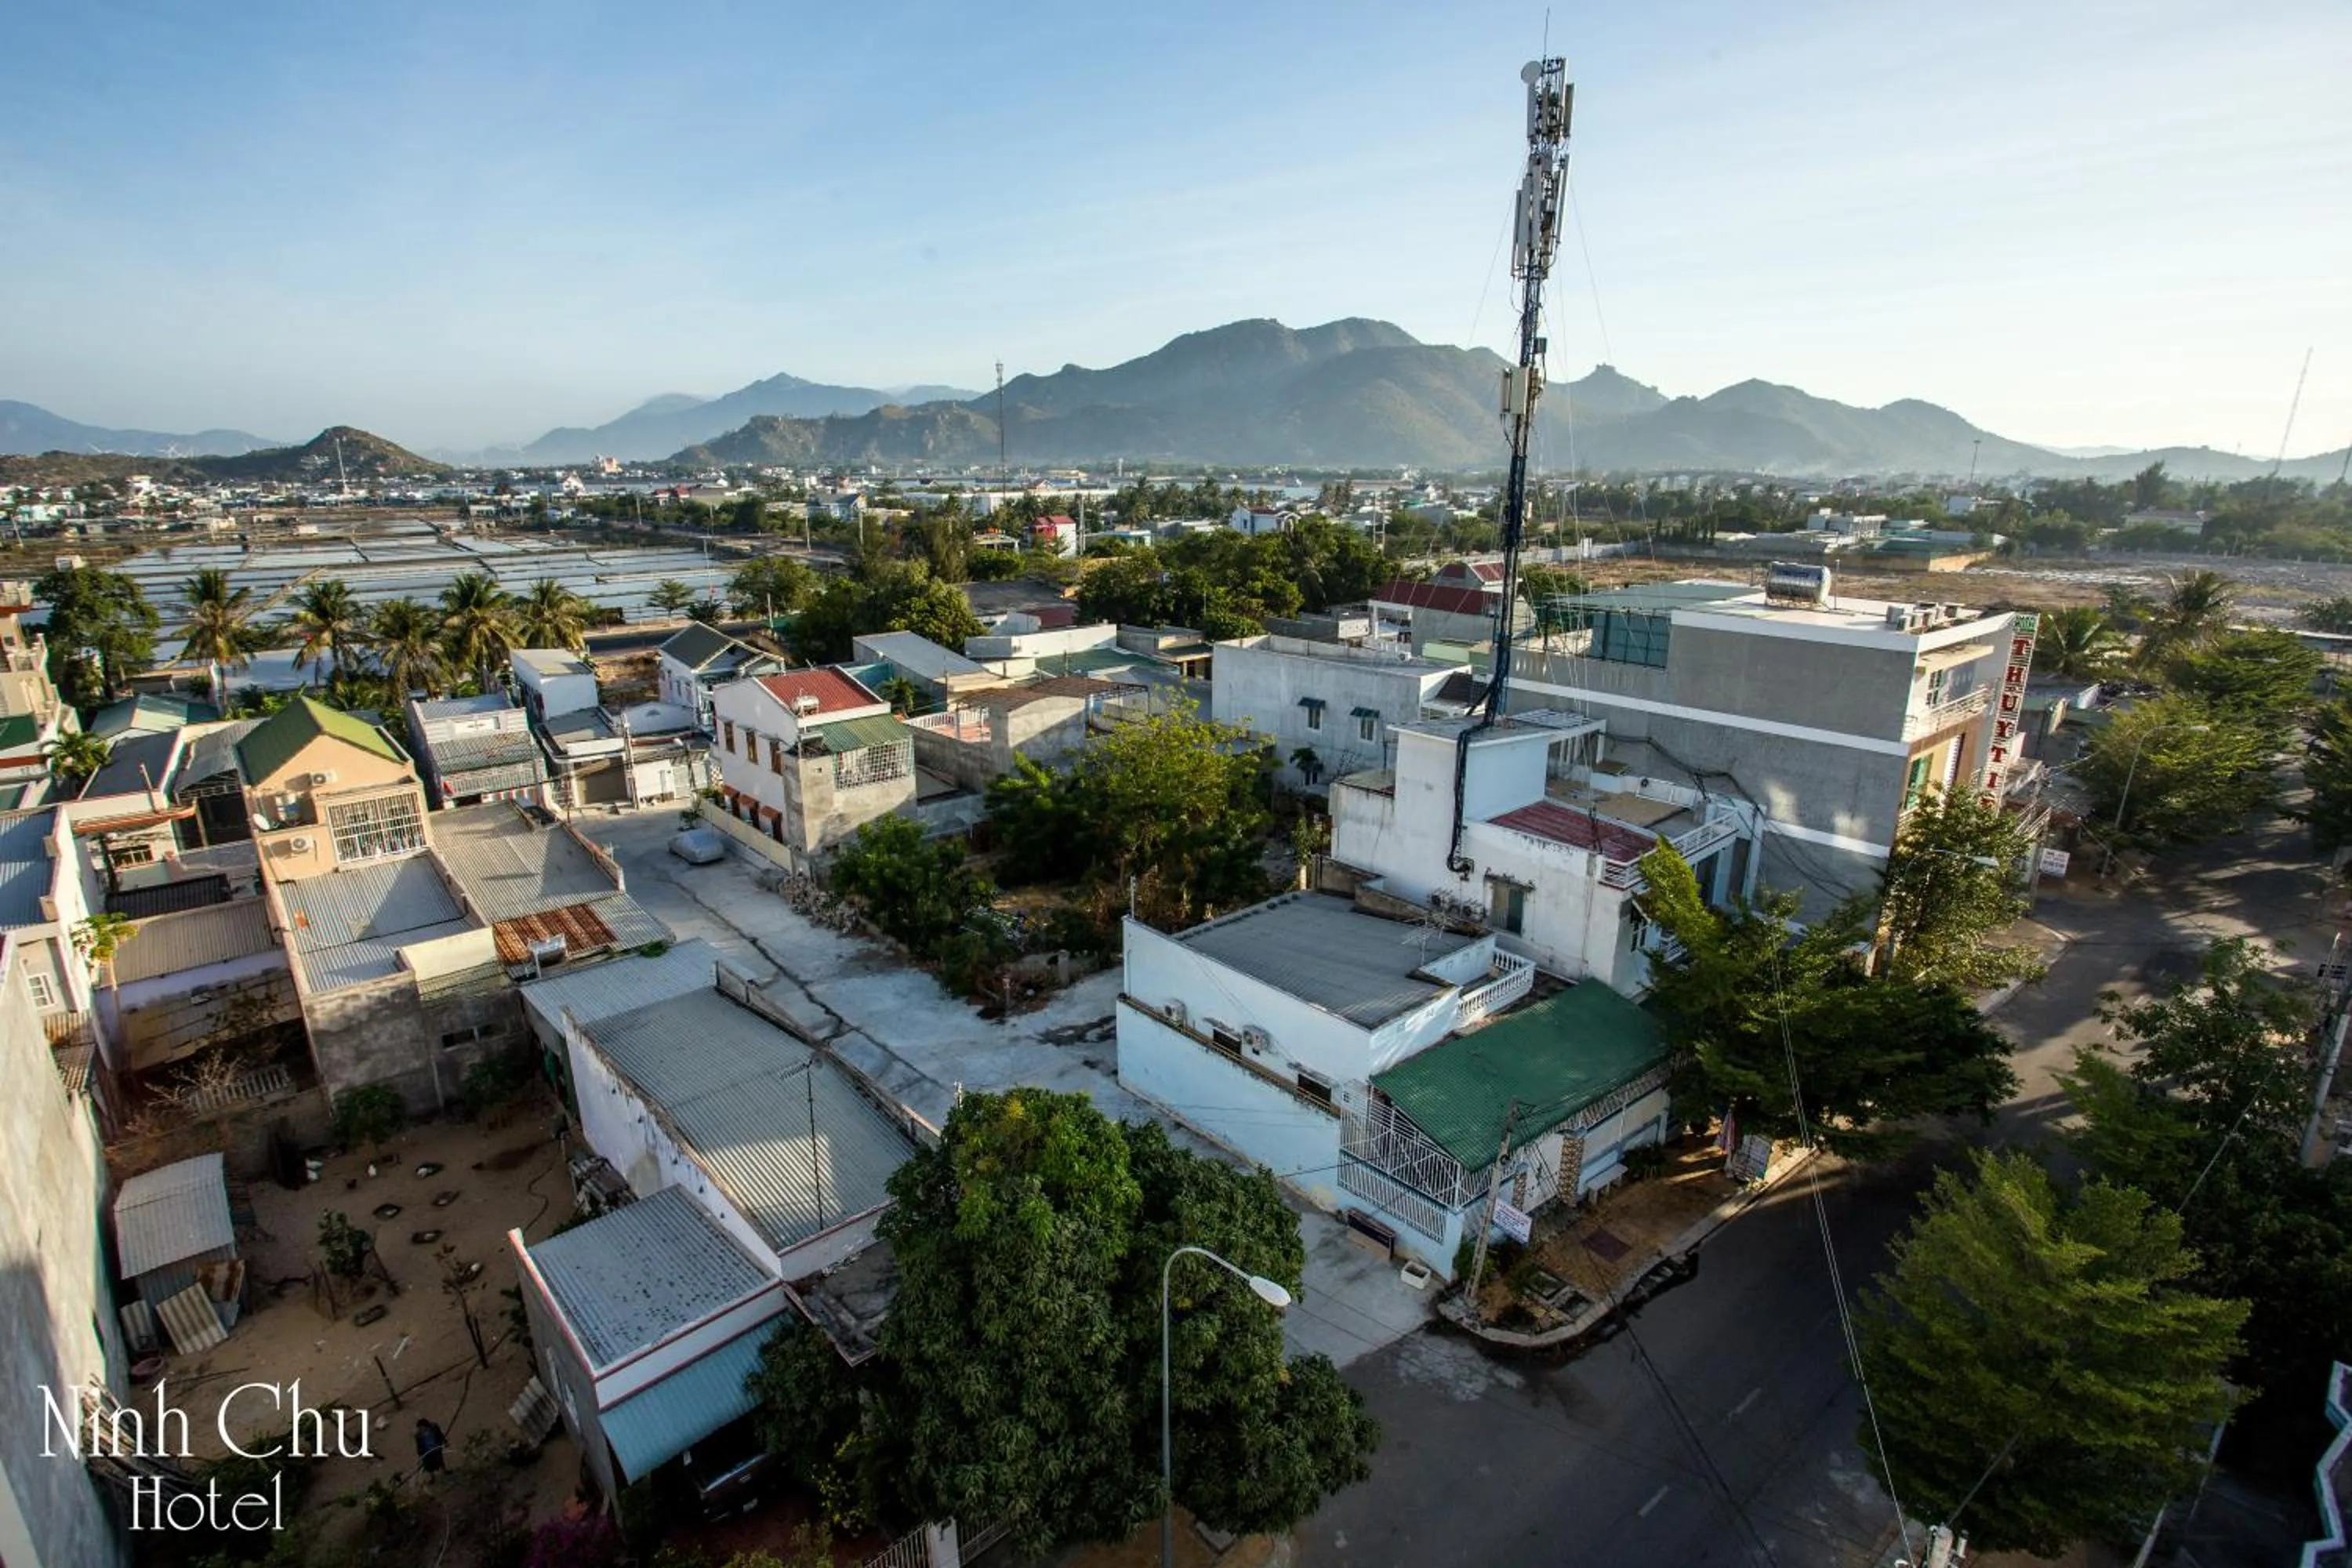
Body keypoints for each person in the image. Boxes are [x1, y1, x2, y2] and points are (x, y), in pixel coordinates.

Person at [414, 1417, 448, 1481]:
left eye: (421, 1427)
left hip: (436, 1449)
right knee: (429, 1466)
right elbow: (419, 1446)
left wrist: (445, 1442)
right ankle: (432, 1478)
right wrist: (420, 1454)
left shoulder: (434, 1428)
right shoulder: (418, 1435)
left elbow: (440, 1435)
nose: (420, 1429)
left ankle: (445, 1471)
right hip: (427, 1452)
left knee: (440, 1461)